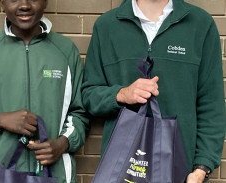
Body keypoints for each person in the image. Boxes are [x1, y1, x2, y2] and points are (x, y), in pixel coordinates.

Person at [82, 0, 226, 182]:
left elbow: (212, 106)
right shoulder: (107, 26)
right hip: (121, 172)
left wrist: (201, 169)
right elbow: (89, 95)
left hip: (179, 173)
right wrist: (122, 94)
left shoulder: (200, 24)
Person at [0, 0, 89, 183]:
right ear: (2, 2)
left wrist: (63, 143)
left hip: (56, 175)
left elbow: (80, 113)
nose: (24, 5)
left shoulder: (66, 51)